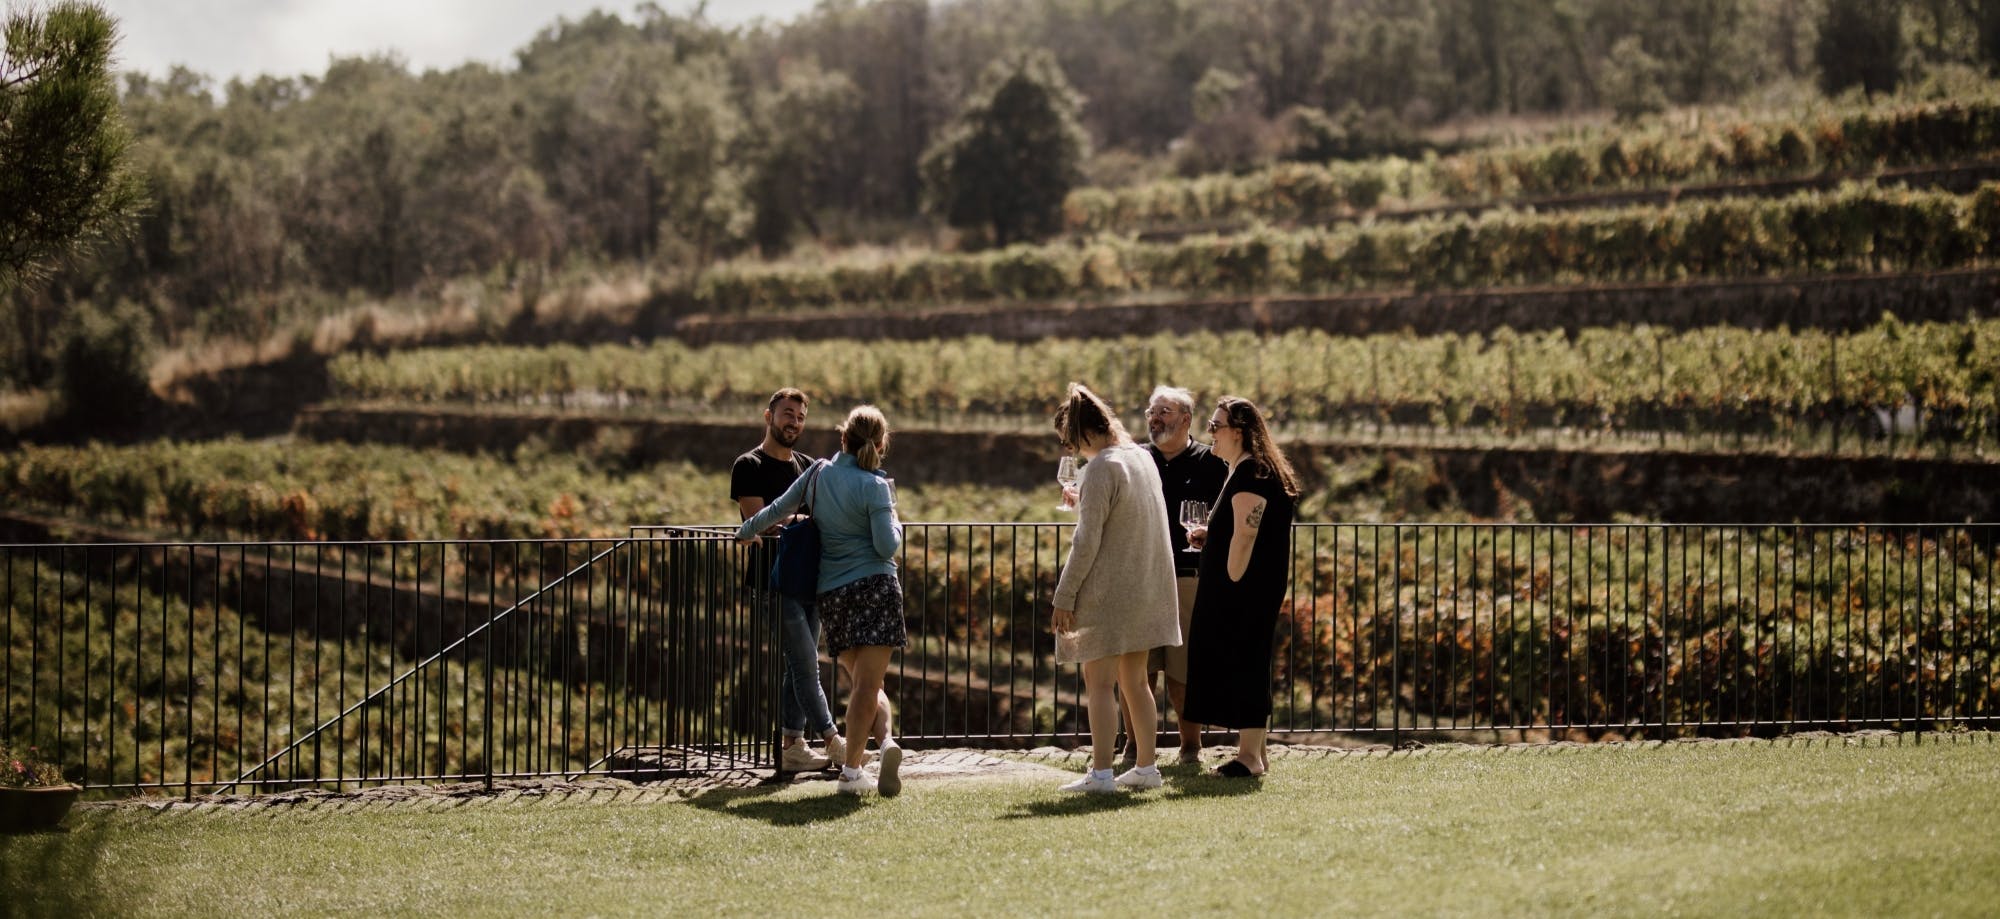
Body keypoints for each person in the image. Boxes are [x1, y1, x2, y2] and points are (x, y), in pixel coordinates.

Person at [739, 405, 907, 796]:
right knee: (867, 685)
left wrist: (746, 529)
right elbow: (887, 545)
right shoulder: (876, 487)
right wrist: (895, 520)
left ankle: (885, 744)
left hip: (834, 593)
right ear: (881, 445)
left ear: (843, 437)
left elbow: (778, 508)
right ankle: (851, 772)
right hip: (877, 588)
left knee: (865, 683)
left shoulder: (817, 473)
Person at [1048, 383, 1182, 793]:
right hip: (1144, 587)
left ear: (1085, 433)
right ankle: (1146, 767)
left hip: (1109, 591)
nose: (1073, 451)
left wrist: (1064, 596)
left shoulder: (1102, 466)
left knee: (1099, 683)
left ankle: (1102, 773)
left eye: (1071, 442)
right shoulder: (1141, 457)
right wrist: (1084, 498)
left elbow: (1086, 542)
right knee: (1136, 682)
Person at [1182, 396, 1300, 779]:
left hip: (1244, 590)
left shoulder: (1252, 473)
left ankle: (1249, 757)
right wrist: (1211, 536)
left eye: (1215, 426)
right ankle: (1256, 754)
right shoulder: (1247, 469)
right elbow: (1238, 529)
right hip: (1248, 587)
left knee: (1247, 662)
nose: (1210, 433)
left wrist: (1230, 581)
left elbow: (1246, 535)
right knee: (1250, 660)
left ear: (1239, 432)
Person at [731, 388, 844, 774]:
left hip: (808, 580)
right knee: (806, 664)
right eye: (787, 414)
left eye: (800, 417)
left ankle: (793, 745)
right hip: (772, 582)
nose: (794, 422)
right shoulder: (748, 465)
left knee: (798, 665)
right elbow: (760, 521)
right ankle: (834, 740)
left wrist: (795, 521)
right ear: (769, 416)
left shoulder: (808, 466)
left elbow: (816, 519)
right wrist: (802, 521)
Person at [1122, 385, 1229, 767]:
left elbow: (1227, 516)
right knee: (1138, 670)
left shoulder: (1211, 462)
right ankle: (1134, 747)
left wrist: (1210, 534)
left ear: (1186, 419)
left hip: (1188, 577)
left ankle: (1190, 748)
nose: (1155, 418)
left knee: (1184, 671)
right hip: (1141, 577)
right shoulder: (1136, 460)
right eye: (1151, 411)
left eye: (1163, 411)